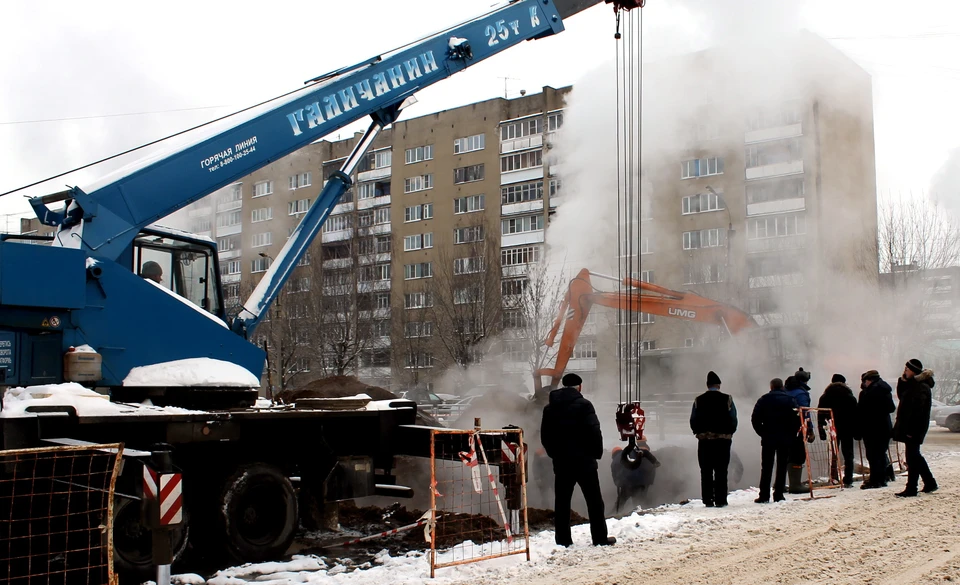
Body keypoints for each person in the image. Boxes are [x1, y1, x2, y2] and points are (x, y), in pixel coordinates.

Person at [540, 372, 615, 547]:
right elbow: (594, 431)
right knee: (594, 501)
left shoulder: (550, 408)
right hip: (584, 462)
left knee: (562, 502)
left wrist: (555, 455)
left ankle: (563, 540)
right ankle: (599, 538)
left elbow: (546, 436)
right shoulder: (585, 405)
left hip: (561, 462)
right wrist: (596, 454)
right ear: (579, 386)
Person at [690, 370, 738, 507]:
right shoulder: (728, 399)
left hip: (704, 440)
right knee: (721, 470)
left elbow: (693, 419)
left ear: (707, 385)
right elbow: (733, 418)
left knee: (706, 470)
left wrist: (698, 432)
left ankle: (707, 499)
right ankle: (721, 499)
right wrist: (730, 433)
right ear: (719, 385)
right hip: (723, 440)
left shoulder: (698, 400)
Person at [893, 359, 938, 497]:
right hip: (910, 428)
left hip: (914, 428)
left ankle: (912, 487)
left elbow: (917, 412)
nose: (905, 371)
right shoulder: (913, 385)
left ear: (913, 371)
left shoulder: (920, 387)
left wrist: (912, 430)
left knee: (913, 457)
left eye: (907, 369)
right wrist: (903, 380)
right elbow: (902, 397)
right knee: (914, 456)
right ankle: (929, 482)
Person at [751, 378, 800, 503]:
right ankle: (778, 494)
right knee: (782, 466)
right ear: (782, 386)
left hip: (768, 438)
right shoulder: (791, 400)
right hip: (785, 438)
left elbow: (755, 418)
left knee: (766, 467)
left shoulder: (763, 400)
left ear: (771, 387)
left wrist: (762, 433)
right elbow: (797, 419)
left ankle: (764, 495)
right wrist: (791, 434)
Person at [817, 374, 859, 487]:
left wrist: (821, 430)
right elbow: (856, 415)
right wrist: (857, 431)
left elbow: (820, 414)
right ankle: (848, 478)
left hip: (832, 428)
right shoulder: (849, 396)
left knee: (834, 453)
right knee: (848, 454)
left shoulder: (825, 397)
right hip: (847, 428)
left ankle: (834, 476)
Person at [856, 370, 895, 489]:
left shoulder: (869, 393)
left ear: (869, 380)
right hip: (884, 427)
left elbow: (862, 412)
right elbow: (891, 408)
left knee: (873, 455)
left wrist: (859, 429)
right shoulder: (885, 390)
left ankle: (875, 480)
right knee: (880, 454)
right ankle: (882, 478)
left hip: (872, 428)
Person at [610, 438, 659, 512]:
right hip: (640, 482)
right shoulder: (629, 454)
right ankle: (639, 512)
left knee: (621, 502)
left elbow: (615, 476)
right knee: (638, 501)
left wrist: (619, 484)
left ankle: (615, 514)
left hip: (626, 483)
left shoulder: (615, 461)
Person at [785, 370, 814, 494]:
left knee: (785, 455)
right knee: (798, 455)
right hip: (797, 428)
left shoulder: (785, 390)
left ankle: (780, 483)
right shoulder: (801, 393)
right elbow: (805, 412)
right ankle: (795, 485)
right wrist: (810, 429)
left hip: (784, 428)